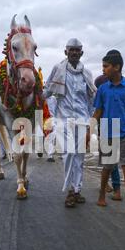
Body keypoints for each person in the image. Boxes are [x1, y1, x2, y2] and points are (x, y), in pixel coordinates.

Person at [90, 50, 125, 220]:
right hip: (107, 130)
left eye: (106, 67)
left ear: (117, 67)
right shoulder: (102, 89)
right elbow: (98, 112)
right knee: (107, 167)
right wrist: (89, 130)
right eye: (103, 67)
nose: (103, 70)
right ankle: (101, 195)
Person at [43, 38, 96, 208]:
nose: (74, 52)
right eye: (71, 49)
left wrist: (90, 122)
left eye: (77, 50)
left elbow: (90, 99)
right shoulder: (57, 69)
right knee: (68, 154)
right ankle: (70, 191)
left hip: (82, 119)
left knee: (79, 157)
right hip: (63, 120)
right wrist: (33, 91)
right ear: (65, 52)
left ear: (81, 53)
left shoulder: (86, 74)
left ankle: (77, 189)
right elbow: (47, 91)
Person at [95, 74, 122, 201]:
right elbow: (97, 112)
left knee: (113, 162)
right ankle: (111, 187)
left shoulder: (121, 88)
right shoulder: (100, 90)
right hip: (105, 128)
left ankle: (114, 188)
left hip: (118, 127)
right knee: (109, 162)